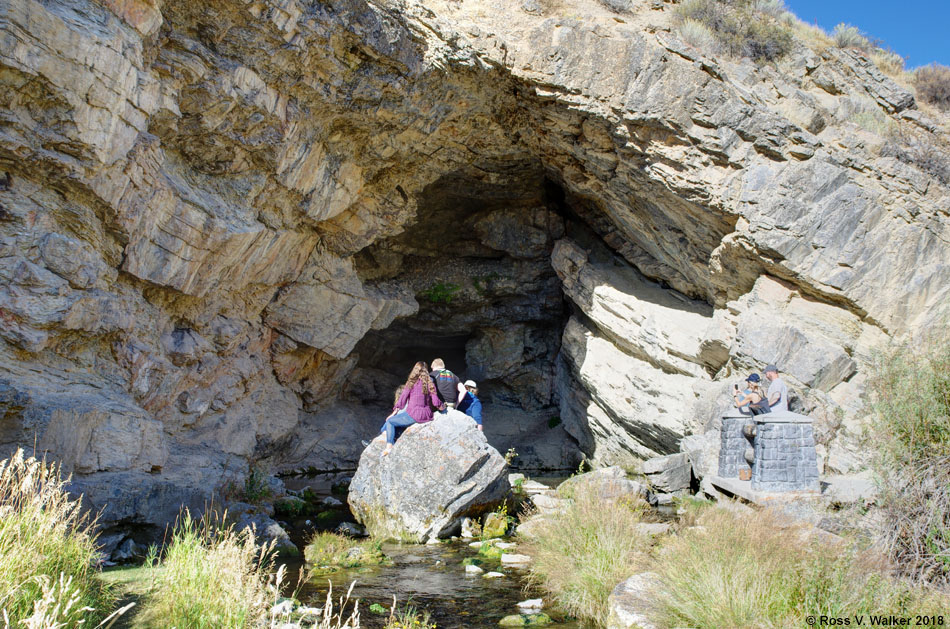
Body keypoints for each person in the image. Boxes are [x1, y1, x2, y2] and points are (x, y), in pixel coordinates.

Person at [379, 361, 443, 456]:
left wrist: (394, 413)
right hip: (426, 414)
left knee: (390, 422)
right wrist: (442, 407)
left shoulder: (411, 382)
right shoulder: (430, 382)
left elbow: (402, 400)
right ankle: (394, 436)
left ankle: (389, 447)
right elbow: (435, 401)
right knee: (397, 424)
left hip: (414, 414)